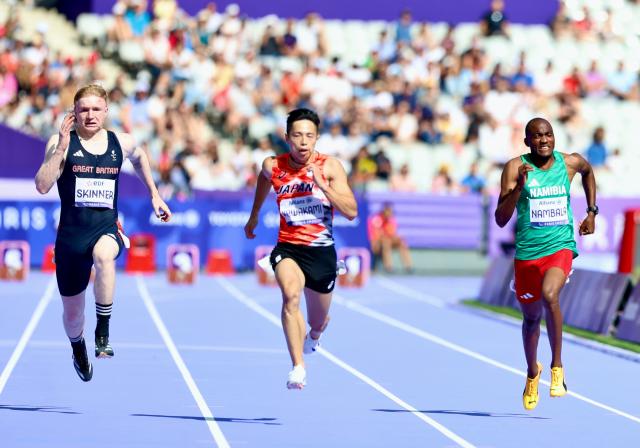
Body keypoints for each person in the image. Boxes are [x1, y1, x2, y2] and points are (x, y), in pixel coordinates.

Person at [35, 84, 172, 382]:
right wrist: (60, 147)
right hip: (71, 238)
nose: (90, 115)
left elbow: (140, 156)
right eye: (83, 109)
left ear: (107, 112)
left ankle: (103, 331)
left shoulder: (120, 143)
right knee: (73, 317)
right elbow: (43, 185)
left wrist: (154, 195)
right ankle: (78, 348)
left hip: (106, 228)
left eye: (96, 109)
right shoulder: (61, 143)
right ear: (74, 112)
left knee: (104, 255)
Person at [244, 108, 358, 390]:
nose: (303, 142)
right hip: (289, 248)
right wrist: (255, 213)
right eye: (297, 136)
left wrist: (324, 187)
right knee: (290, 297)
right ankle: (298, 367)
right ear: (287, 138)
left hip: (321, 253)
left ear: (317, 138)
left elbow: (352, 211)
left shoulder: (330, 167)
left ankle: (316, 332)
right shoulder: (274, 166)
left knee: (317, 320)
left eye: (309, 136)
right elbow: (263, 178)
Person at [495, 117, 596, 410]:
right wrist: (518, 189)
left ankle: (557, 368)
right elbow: (501, 219)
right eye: (537, 137)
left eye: (548, 135)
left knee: (550, 296)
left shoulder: (569, 164)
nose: (543, 140)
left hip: (559, 247)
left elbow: (589, 173)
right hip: (527, 254)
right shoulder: (515, 168)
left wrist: (591, 212)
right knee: (530, 320)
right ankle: (531, 372)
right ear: (527, 141)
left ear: (554, 137)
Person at [367, 202, 413, 273]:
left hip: (387, 240)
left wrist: (397, 238)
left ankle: (408, 266)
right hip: (376, 243)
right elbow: (376, 236)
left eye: (391, 211)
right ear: (384, 210)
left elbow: (392, 234)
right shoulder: (376, 219)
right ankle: (389, 267)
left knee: (401, 242)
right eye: (388, 211)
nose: (390, 213)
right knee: (386, 242)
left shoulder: (391, 219)